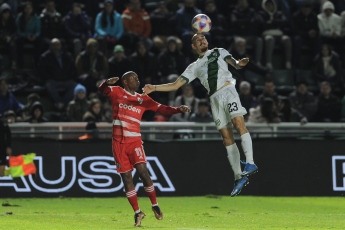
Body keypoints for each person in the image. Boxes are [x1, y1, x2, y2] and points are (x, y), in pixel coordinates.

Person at [143, 33, 258, 197]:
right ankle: (238, 177)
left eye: (203, 38)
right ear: (193, 47)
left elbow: (236, 64)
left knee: (239, 125)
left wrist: (241, 63)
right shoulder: (194, 66)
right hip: (214, 98)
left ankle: (251, 162)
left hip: (228, 91)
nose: (202, 40)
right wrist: (154, 88)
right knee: (227, 138)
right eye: (198, 40)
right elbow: (176, 85)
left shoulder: (219, 51)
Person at [98, 71, 190, 226]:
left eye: (138, 78)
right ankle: (137, 212)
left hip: (135, 142)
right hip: (118, 143)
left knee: (143, 172)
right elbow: (102, 89)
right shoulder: (117, 91)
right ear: (125, 81)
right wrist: (107, 82)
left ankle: (154, 204)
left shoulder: (143, 99)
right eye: (134, 79)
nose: (138, 81)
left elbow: (163, 109)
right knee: (126, 178)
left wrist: (177, 109)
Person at [38, 38, 76, 109]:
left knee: (74, 85)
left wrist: (67, 76)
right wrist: (52, 77)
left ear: (61, 46)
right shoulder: (45, 57)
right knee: (49, 85)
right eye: (53, 45)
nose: (56, 47)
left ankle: (64, 103)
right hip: (53, 80)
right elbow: (42, 71)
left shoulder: (67, 55)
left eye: (57, 45)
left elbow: (72, 69)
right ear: (50, 46)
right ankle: (58, 102)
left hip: (66, 79)